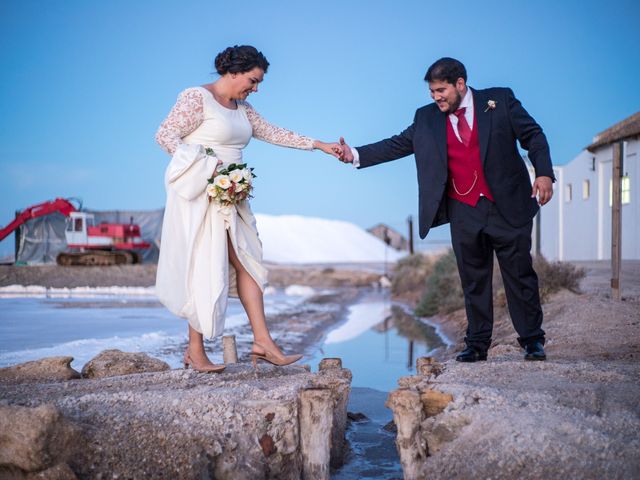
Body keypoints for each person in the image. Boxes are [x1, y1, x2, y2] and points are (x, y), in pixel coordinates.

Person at [339, 57, 554, 362]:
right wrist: (355, 154)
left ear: (460, 84)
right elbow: (396, 144)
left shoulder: (499, 100)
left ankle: (532, 340)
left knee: (520, 275)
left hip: (507, 204)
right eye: (432, 92)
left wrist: (544, 173)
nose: (436, 96)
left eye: (441, 90)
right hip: (463, 209)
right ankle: (477, 344)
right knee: (473, 279)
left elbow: (534, 135)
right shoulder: (426, 118)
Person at [155, 45, 342, 372]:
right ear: (234, 71)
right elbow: (166, 135)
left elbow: (273, 132)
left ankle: (262, 341)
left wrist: (319, 145)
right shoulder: (197, 98)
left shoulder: (243, 108)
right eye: (253, 81)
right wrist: (208, 169)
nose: (255, 88)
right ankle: (196, 351)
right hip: (203, 194)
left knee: (249, 263)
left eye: (258, 83)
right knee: (206, 265)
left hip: (234, 195)